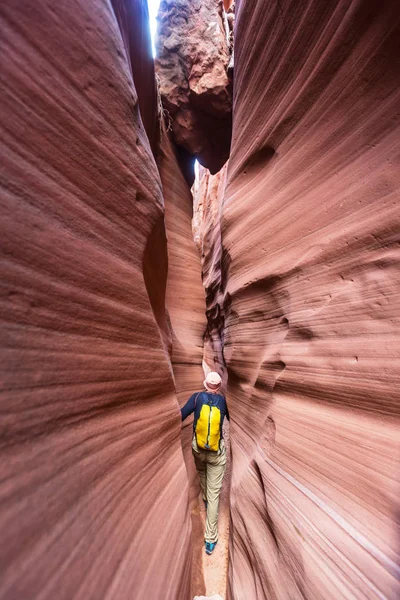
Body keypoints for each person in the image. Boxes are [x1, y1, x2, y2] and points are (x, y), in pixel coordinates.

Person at [181, 371, 229, 555]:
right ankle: (210, 541)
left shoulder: (196, 398)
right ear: (218, 387)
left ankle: (206, 499)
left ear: (206, 385)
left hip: (198, 450)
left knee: (202, 473)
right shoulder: (224, 402)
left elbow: (181, 415)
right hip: (216, 453)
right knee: (215, 492)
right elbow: (231, 420)